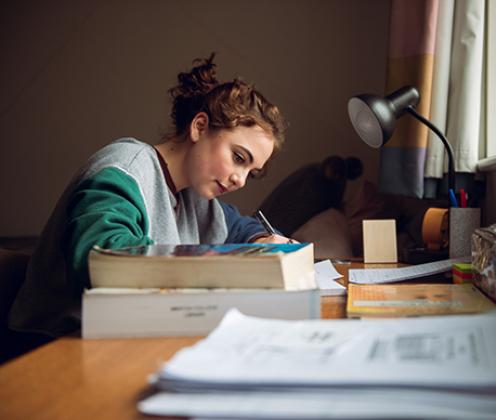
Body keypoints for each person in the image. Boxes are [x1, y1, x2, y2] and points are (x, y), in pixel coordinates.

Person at [8, 54, 291, 338]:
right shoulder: (124, 168)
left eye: (251, 172)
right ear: (200, 126)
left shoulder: (197, 199)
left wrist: (262, 240)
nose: (239, 180)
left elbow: (240, 227)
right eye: (239, 157)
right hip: (54, 343)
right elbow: (101, 259)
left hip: (124, 337)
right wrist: (218, 265)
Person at [258, 155, 363, 236]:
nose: (335, 172)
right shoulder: (313, 174)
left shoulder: (331, 183)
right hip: (278, 221)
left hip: (284, 224)